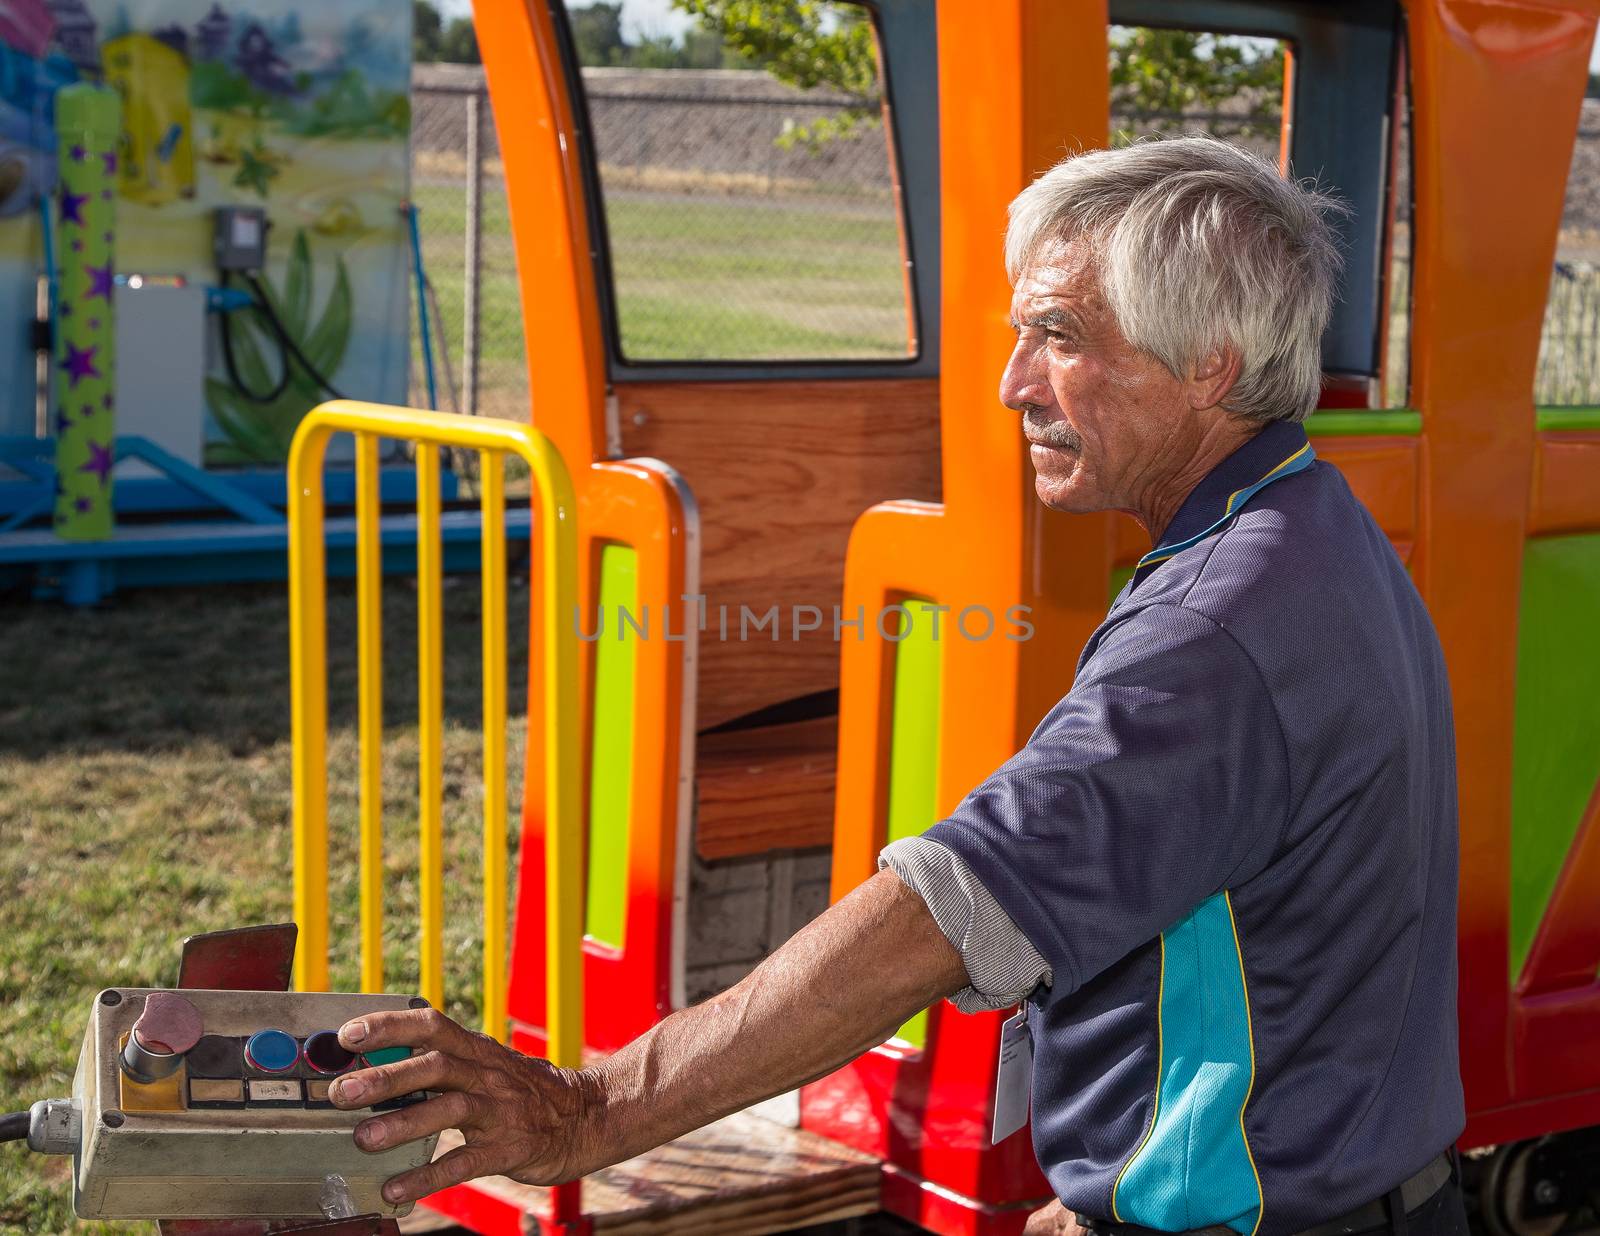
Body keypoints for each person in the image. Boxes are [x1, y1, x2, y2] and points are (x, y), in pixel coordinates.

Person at [328, 136, 1468, 1236]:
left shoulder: (1208, 630)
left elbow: (946, 910)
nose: (1013, 381)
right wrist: (1131, 1186)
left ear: (1210, 363)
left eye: (1057, 336)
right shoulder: (1312, 527)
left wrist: (592, 1109)